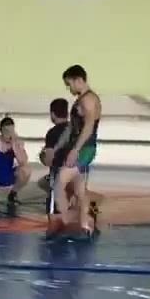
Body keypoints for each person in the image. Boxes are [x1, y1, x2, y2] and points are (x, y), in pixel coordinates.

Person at [52, 64, 102, 240]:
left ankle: (66, 224)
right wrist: (57, 148)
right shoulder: (82, 100)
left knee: (59, 184)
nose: (69, 88)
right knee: (80, 190)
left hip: (84, 148)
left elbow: (88, 127)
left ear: (78, 80)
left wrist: (75, 150)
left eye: (69, 84)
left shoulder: (88, 100)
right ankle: (86, 226)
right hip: (82, 147)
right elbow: (70, 128)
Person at [39, 97, 70, 237]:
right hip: (75, 172)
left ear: (52, 114)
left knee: (54, 203)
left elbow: (48, 160)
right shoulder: (75, 130)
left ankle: (53, 231)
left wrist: (42, 155)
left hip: (58, 172)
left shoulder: (53, 133)